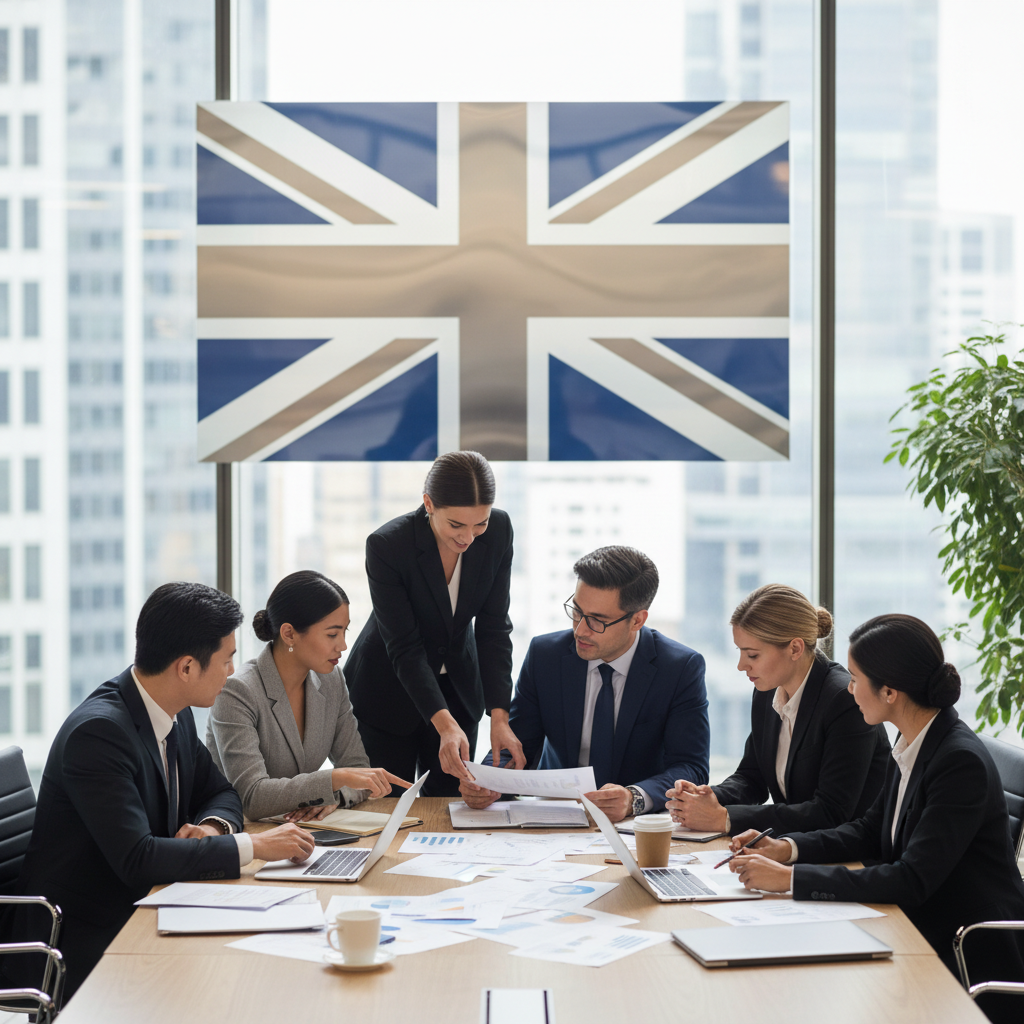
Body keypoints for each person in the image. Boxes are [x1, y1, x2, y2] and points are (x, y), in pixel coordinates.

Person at [2, 583, 314, 1000]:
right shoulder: (99, 733)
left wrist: (213, 827)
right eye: (226, 660)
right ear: (186, 668)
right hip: (80, 936)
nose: (231, 672)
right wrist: (252, 846)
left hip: (150, 905)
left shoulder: (173, 710)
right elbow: (138, 858)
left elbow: (220, 791)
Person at [727, 614, 1024, 1024]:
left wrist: (791, 880)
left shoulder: (958, 763)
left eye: (854, 678)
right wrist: (788, 849)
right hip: (913, 925)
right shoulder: (911, 737)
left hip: (959, 948)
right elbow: (870, 829)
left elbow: (911, 879)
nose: (848, 689)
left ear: (889, 691)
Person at [459, 546, 710, 823]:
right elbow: (517, 744)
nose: (580, 630)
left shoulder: (679, 668)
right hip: (555, 814)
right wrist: (486, 782)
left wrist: (634, 798)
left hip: (639, 824)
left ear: (637, 620)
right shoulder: (546, 655)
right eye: (577, 612)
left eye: (597, 621)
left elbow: (691, 766)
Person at [344, 451, 524, 796]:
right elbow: (404, 647)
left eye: (479, 523)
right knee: (386, 806)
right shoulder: (388, 545)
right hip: (387, 689)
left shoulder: (499, 531)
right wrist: (444, 725)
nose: (468, 538)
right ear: (428, 503)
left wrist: (500, 718)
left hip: (457, 686)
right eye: (456, 525)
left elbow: (494, 628)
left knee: (453, 804)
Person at [665, 584, 890, 834]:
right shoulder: (767, 693)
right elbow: (752, 777)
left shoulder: (843, 700)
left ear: (795, 649)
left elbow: (830, 811)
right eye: (740, 652)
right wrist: (707, 797)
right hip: (796, 849)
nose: (741, 666)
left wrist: (725, 819)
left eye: (752, 655)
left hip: (851, 858)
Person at [207, 570, 411, 822]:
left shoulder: (331, 679)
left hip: (304, 830)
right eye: (332, 634)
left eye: (344, 632)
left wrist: (333, 796)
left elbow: (358, 769)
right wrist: (333, 780)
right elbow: (252, 797)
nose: (343, 645)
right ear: (289, 633)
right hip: (246, 834)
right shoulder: (237, 692)